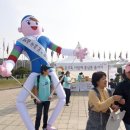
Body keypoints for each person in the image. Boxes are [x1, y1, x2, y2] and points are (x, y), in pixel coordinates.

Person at [0, 15, 87, 130]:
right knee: (20, 101)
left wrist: (75, 52)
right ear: (21, 29)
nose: (33, 25)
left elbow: (59, 49)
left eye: (35, 23)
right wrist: (8, 67)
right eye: (29, 23)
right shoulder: (21, 42)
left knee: (62, 97)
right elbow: (13, 57)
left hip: (49, 71)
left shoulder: (44, 39)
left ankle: (48, 125)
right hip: (35, 72)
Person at [34, 65, 52, 130]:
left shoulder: (49, 77)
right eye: (47, 69)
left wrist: (51, 94)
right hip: (40, 100)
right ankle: (36, 128)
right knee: (38, 115)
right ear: (44, 71)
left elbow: (52, 86)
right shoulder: (38, 77)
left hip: (47, 99)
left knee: (46, 114)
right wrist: (36, 98)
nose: (49, 71)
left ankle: (44, 127)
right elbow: (35, 88)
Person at [113, 62, 130, 130]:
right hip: (128, 117)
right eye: (129, 72)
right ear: (125, 72)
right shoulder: (121, 85)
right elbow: (115, 99)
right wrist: (119, 100)